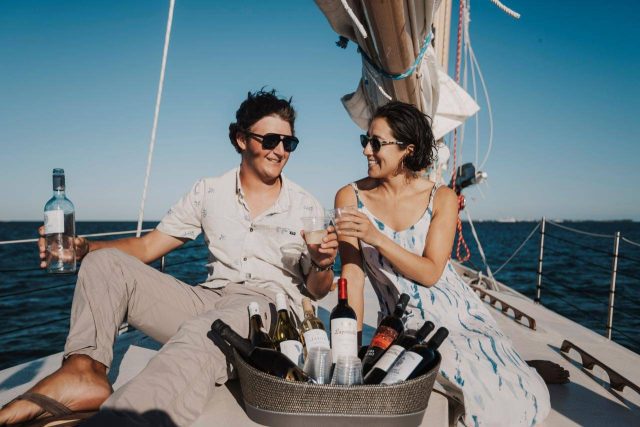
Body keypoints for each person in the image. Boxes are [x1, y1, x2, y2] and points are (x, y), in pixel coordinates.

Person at [0, 89, 338, 427]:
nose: (279, 150)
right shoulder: (208, 192)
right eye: (270, 140)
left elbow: (318, 290)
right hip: (211, 297)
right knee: (104, 265)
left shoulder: (305, 205)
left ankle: (122, 421)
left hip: (267, 311)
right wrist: (86, 249)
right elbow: (148, 248)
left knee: (205, 332)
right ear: (241, 139)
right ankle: (83, 372)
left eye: (288, 143)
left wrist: (322, 261)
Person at [334, 101, 553, 426]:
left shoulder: (442, 198)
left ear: (407, 150)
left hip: (459, 313)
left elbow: (431, 271)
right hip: (402, 321)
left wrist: (377, 238)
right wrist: (349, 353)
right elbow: (353, 275)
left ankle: (518, 365)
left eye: (376, 142)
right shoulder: (349, 197)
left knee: (520, 393)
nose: (367, 149)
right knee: (439, 368)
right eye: (364, 140)